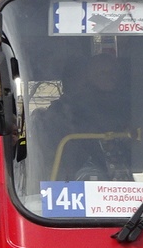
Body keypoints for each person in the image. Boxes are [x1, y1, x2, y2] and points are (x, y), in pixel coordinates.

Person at [36, 51, 133, 181]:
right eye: (103, 73)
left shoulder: (130, 106)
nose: (110, 77)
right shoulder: (67, 109)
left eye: (113, 72)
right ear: (89, 77)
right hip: (77, 177)